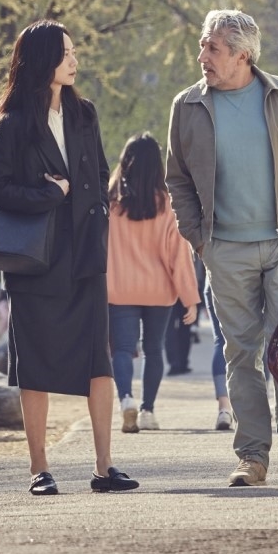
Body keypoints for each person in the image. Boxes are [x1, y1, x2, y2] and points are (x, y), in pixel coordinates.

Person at [165, 9, 278, 487]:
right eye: (202, 45)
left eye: (212, 48)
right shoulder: (188, 105)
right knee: (240, 353)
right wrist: (199, 238)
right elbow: (176, 179)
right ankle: (252, 456)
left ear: (242, 54)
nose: (202, 56)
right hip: (225, 249)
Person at [0, 19, 138, 495]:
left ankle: (105, 467)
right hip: (35, 263)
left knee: (98, 363)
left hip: (85, 257)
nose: (75, 60)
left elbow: (103, 170)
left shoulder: (84, 113)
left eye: (75, 52)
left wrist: (94, 211)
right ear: (44, 59)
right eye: (67, 52)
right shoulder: (12, 124)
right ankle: (39, 470)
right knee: (35, 366)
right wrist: (50, 194)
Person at [106, 132, 200, 433]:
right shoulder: (167, 206)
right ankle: (147, 410)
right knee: (154, 349)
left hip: (119, 288)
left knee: (121, 349)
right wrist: (190, 298)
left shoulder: (111, 204)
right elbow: (178, 256)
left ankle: (125, 400)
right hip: (159, 290)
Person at [164, 255, 204, 376]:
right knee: (185, 325)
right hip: (189, 284)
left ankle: (175, 363)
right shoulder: (190, 237)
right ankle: (181, 362)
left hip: (168, 284)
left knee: (171, 327)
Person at [204, 278, 234, 431]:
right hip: (253, 276)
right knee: (257, 340)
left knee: (221, 341)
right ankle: (255, 406)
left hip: (217, 276)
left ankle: (224, 408)